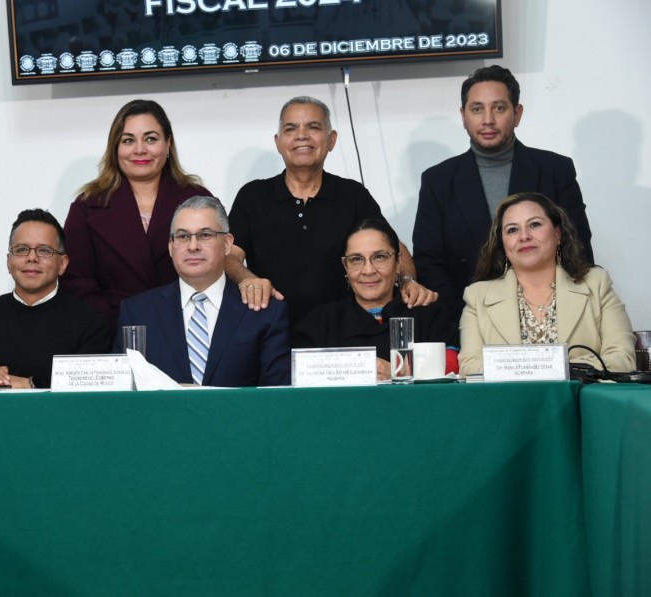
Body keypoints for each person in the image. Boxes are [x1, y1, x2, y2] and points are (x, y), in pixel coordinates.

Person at [227, 95, 435, 326]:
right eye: (291, 128)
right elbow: (228, 256)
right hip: (270, 328)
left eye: (313, 127)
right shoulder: (253, 195)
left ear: (332, 140)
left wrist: (406, 281)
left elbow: (395, 249)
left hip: (342, 332)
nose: (302, 135)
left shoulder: (352, 194)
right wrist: (247, 279)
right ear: (278, 142)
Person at [414, 65, 594, 314]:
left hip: (549, 315)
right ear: (463, 115)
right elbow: (429, 261)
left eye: (499, 108)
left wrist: (550, 311)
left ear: (517, 114)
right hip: (465, 315)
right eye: (477, 109)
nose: (488, 119)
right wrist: (467, 316)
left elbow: (578, 247)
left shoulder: (555, 169)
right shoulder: (439, 180)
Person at [61, 99, 212, 329]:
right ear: (116, 148)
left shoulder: (198, 199)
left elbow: (215, 271)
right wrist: (123, 319)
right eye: (128, 140)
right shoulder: (87, 207)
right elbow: (75, 284)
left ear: (168, 143)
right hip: (113, 332)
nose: (140, 149)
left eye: (151, 139)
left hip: (188, 331)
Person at [114, 196, 291, 387]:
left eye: (205, 235)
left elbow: (276, 399)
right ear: (170, 247)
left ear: (227, 244)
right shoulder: (137, 313)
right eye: (182, 237)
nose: (193, 246)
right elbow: (122, 394)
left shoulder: (264, 313)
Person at [459, 192, 634, 376]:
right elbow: (470, 367)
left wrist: (549, 367)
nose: (524, 236)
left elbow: (623, 359)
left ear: (557, 234)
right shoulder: (477, 296)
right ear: (503, 243)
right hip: (509, 403)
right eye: (512, 230)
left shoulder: (596, 284)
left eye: (534, 225)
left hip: (580, 402)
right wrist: (552, 367)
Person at [0, 209, 111, 389]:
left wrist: (30, 386)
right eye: (21, 249)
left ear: (62, 264)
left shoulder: (91, 323)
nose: (32, 258)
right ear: (8, 261)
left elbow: (90, 400)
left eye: (44, 250)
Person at [294, 219, 459, 381]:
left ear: (398, 262)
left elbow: (453, 369)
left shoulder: (430, 315)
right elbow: (301, 386)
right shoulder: (319, 324)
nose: (368, 270)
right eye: (356, 259)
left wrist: (398, 371)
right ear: (345, 266)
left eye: (379, 257)